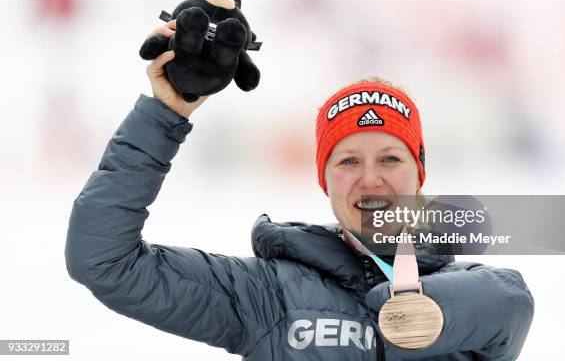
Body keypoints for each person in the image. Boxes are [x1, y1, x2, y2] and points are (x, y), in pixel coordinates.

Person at [65, 20, 534, 360]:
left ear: (419, 174)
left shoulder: (472, 289)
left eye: (390, 158)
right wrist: (164, 115)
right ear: (323, 179)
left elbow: (508, 306)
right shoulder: (264, 294)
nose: (370, 178)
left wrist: (435, 313)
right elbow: (104, 261)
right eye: (348, 161)